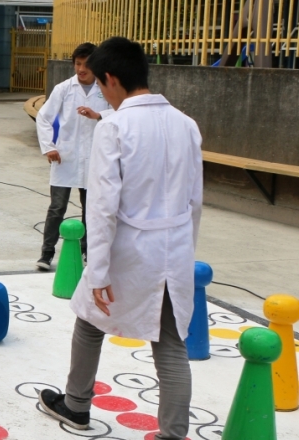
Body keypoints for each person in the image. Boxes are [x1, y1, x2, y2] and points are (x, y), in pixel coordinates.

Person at [38, 37, 203, 440]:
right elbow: (196, 200)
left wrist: (98, 269)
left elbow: (103, 206)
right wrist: (185, 249)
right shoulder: (186, 123)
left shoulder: (114, 125)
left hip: (128, 247)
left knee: (90, 317)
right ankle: (173, 434)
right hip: (174, 247)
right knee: (169, 343)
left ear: (111, 78)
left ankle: (77, 405)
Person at [34, 42, 112, 271]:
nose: (81, 69)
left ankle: (88, 251)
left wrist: (100, 115)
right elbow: (44, 117)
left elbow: (120, 112)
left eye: (86, 65)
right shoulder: (64, 89)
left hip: (94, 157)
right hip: (65, 157)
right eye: (78, 64)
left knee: (92, 208)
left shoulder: (105, 88)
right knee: (57, 207)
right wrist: (49, 146)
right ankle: (46, 254)